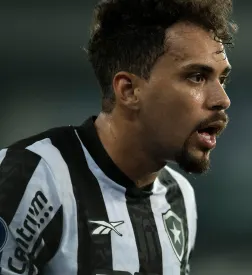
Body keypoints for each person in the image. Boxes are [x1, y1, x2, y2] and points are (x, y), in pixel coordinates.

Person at [0, 0, 236, 274]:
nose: (222, 100)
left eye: (223, 80)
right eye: (196, 77)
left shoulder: (179, 198)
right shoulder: (29, 179)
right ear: (128, 90)